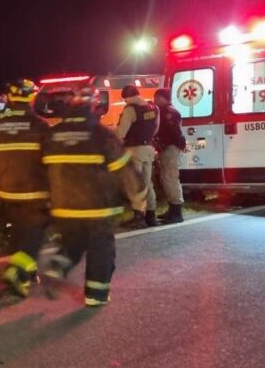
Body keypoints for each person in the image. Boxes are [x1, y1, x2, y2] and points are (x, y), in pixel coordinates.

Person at [42, 86, 144, 306]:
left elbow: (39, 171)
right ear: (94, 106)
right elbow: (124, 170)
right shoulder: (101, 135)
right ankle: (96, 294)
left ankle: (56, 267)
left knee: (72, 242)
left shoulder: (53, 135)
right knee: (101, 247)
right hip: (97, 207)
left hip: (62, 206)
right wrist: (138, 194)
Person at [0, 79, 49, 297]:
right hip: (34, 194)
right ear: (32, 98)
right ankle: (17, 270)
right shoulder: (41, 126)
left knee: (20, 232)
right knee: (36, 233)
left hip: (5, 195)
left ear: (9, 99)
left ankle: (29, 273)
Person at [115, 83, 160, 228]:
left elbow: (121, 133)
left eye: (124, 99)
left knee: (135, 184)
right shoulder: (153, 108)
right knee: (147, 182)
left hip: (134, 149)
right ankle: (151, 215)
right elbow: (155, 128)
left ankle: (138, 217)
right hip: (149, 148)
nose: (124, 102)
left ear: (127, 97)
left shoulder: (130, 109)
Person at [153, 87, 186, 224]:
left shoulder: (169, 113)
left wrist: (177, 145)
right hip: (167, 149)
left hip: (170, 149)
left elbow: (175, 133)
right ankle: (172, 210)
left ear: (161, 98)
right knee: (166, 179)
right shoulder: (167, 111)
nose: (155, 101)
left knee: (170, 178)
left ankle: (177, 212)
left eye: (156, 98)